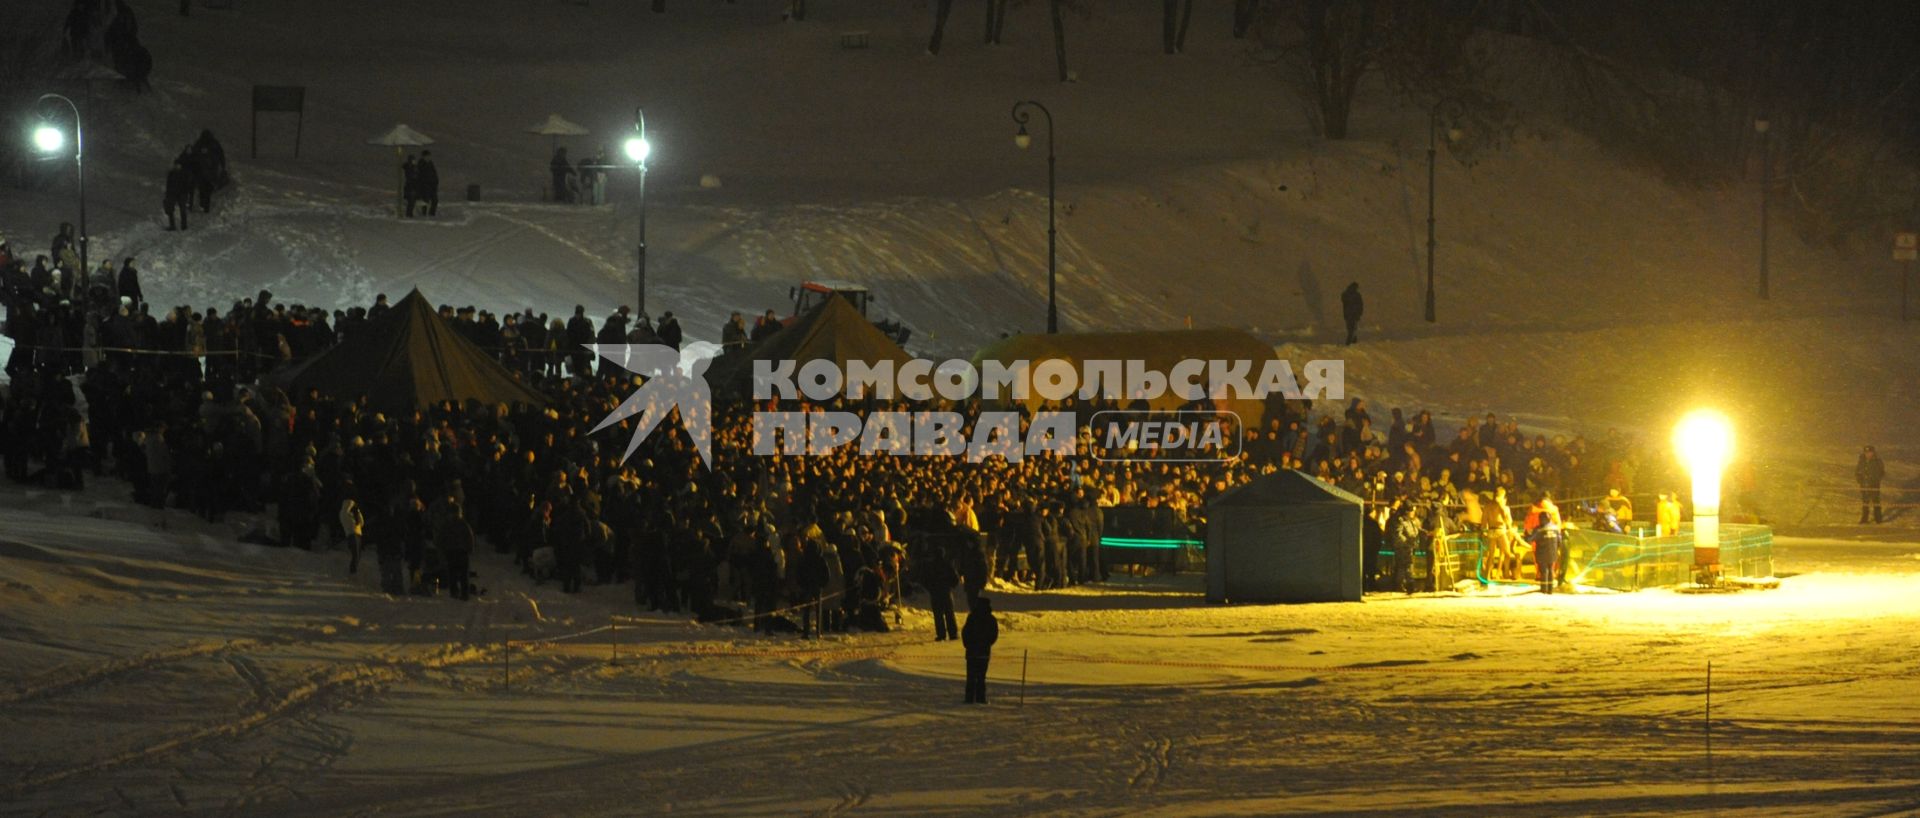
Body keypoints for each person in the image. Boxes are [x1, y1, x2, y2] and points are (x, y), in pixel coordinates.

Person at [960, 595, 998, 704]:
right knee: (981, 676)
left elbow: (965, 632)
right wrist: (986, 644)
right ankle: (980, 698)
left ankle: (969, 698)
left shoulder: (972, 617)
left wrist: (968, 645)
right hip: (983, 651)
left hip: (972, 651)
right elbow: (993, 635)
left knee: (971, 676)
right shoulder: (990, 619)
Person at [1524, 491, 1563, 594]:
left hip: (1541, 548)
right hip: (1553, 548)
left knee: (1543, 569)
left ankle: (1544, 588)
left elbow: (1530, 532)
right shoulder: (1554, 512)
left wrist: (1528, 536)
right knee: (1550, 568)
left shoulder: (1535, 512)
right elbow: (1559, 534)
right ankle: (1550, 589)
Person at [1856, 445, 1884, 524]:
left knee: (1876, 501)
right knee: (1865, 502)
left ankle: (1878, 518)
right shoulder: (1862, 461)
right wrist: (1860, 480)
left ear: (1873, 452)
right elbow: (1857, 471)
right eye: (1866, 452)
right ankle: (1864, 518)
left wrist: (1875, 479)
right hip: (1864, 485)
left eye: (1870, 452)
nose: (1868, 454)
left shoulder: (1877, 461)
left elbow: (1881, 472)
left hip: (1874, 484)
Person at [164, 161, 194, 230]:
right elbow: (168, 184)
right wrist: (168, 193)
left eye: (179, 165)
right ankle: (172, 225)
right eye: (176, 165)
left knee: (182, 210)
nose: (177, 166)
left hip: (182, 194)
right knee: (170, 210)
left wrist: (186, 192)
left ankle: (184, 226)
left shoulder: (184, 174)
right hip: (173, 194)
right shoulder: (171, 173)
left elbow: (187, 184)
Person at [416, 150, 440, 217]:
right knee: (425, 201)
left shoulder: (430, 163)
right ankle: (424, 214)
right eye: (427, 156)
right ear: (424, 156)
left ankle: (431, 214)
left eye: (429, 156)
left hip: (432, 186)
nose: (429, 157)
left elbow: (434, 173)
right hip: (424, 186)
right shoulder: (421, 164)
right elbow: (420, 176)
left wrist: (435, 181)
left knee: (434, 200)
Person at [402, 154, 420, 218]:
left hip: (413, 186)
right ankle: (409, 214)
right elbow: (412, 176)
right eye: (413, 160)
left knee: (412, 201)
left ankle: (409, 213)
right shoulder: (410, 167)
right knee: (411, 201)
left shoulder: (413, 167)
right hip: (411, 186)